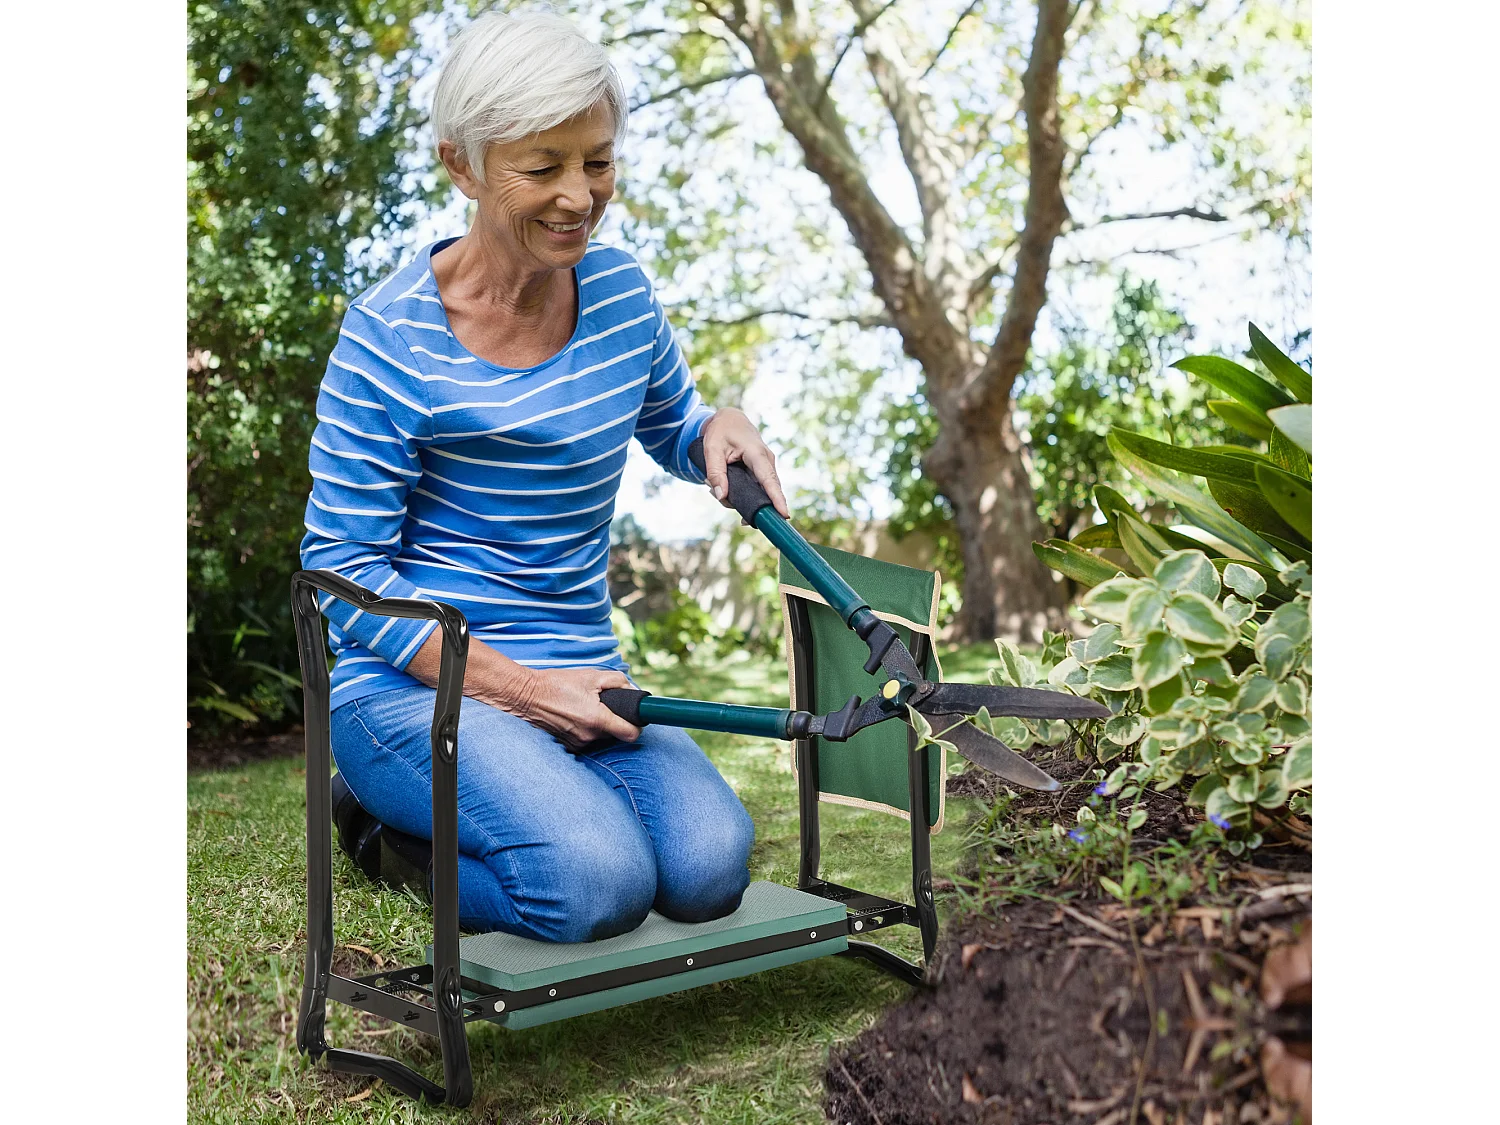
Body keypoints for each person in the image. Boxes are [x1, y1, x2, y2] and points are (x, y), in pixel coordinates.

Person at [300, 9, 789, 944]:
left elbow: (674, 427)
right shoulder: (389, 338)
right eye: (543, 166)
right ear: (464, 166)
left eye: (597, 161)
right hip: (416, 688)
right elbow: (344, 574)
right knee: (591, 884)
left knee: (707, 869)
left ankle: (531, 812)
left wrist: (717, 425)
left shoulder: (621, 296)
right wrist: (522, 690)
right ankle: (376, 832)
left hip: (583, 670)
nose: (580, 195)